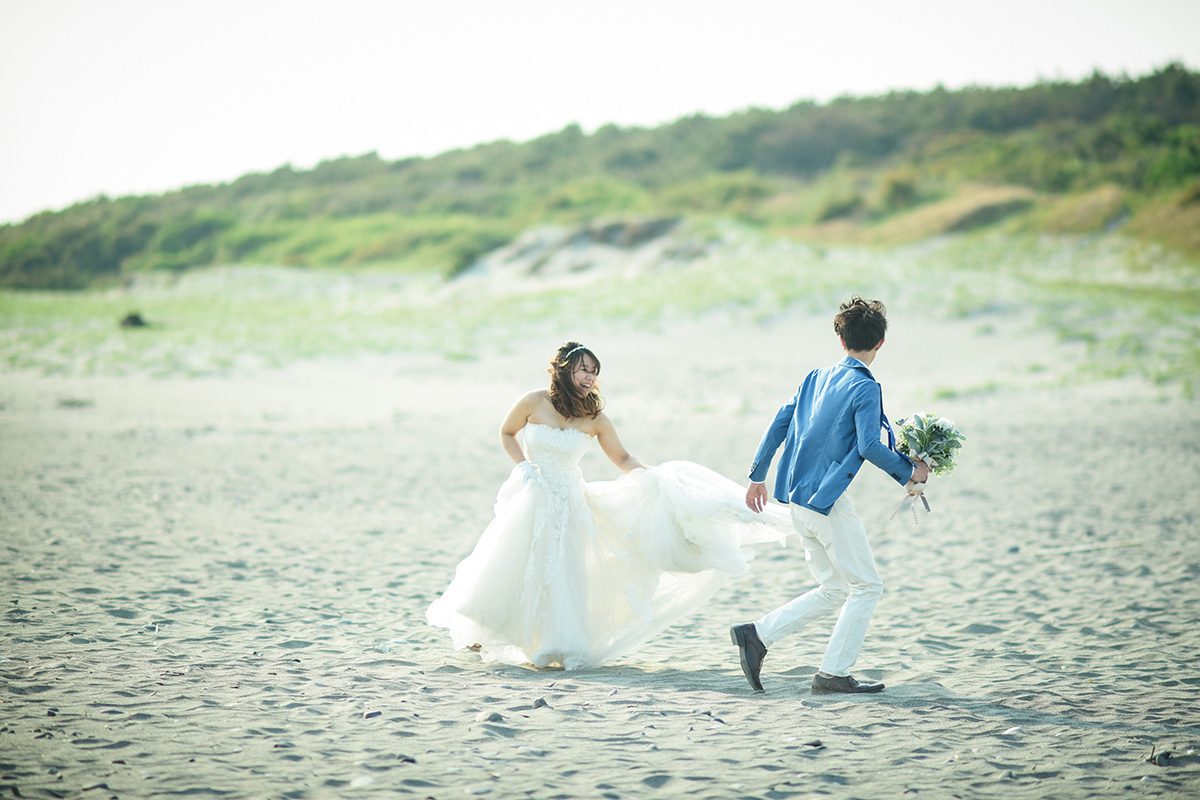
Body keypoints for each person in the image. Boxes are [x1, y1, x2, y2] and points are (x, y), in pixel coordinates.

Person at [427, 341, 788, 670]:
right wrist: (523, 467)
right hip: (534, 493)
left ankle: (553, 643)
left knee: (564, 573)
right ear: (565, 368)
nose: (590, 377)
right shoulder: (533, 401)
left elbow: (622, 456)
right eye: (584, 369)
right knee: (515, 563)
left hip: (571, 499)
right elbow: (506, 432)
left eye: (595, 372)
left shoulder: (595, 418)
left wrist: (652, 476)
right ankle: (488, 629)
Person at [730, 297, 930, 694]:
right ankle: (832, 674)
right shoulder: (866, 386)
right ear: (881, 343)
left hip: (798, 503)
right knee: (867, 587)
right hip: (827, 503)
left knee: (836, 588)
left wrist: (757, 475)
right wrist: (912, 472)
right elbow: (870, 446)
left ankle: (757, 636)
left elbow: (778, 424)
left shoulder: (814, 377)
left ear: (841, 340)